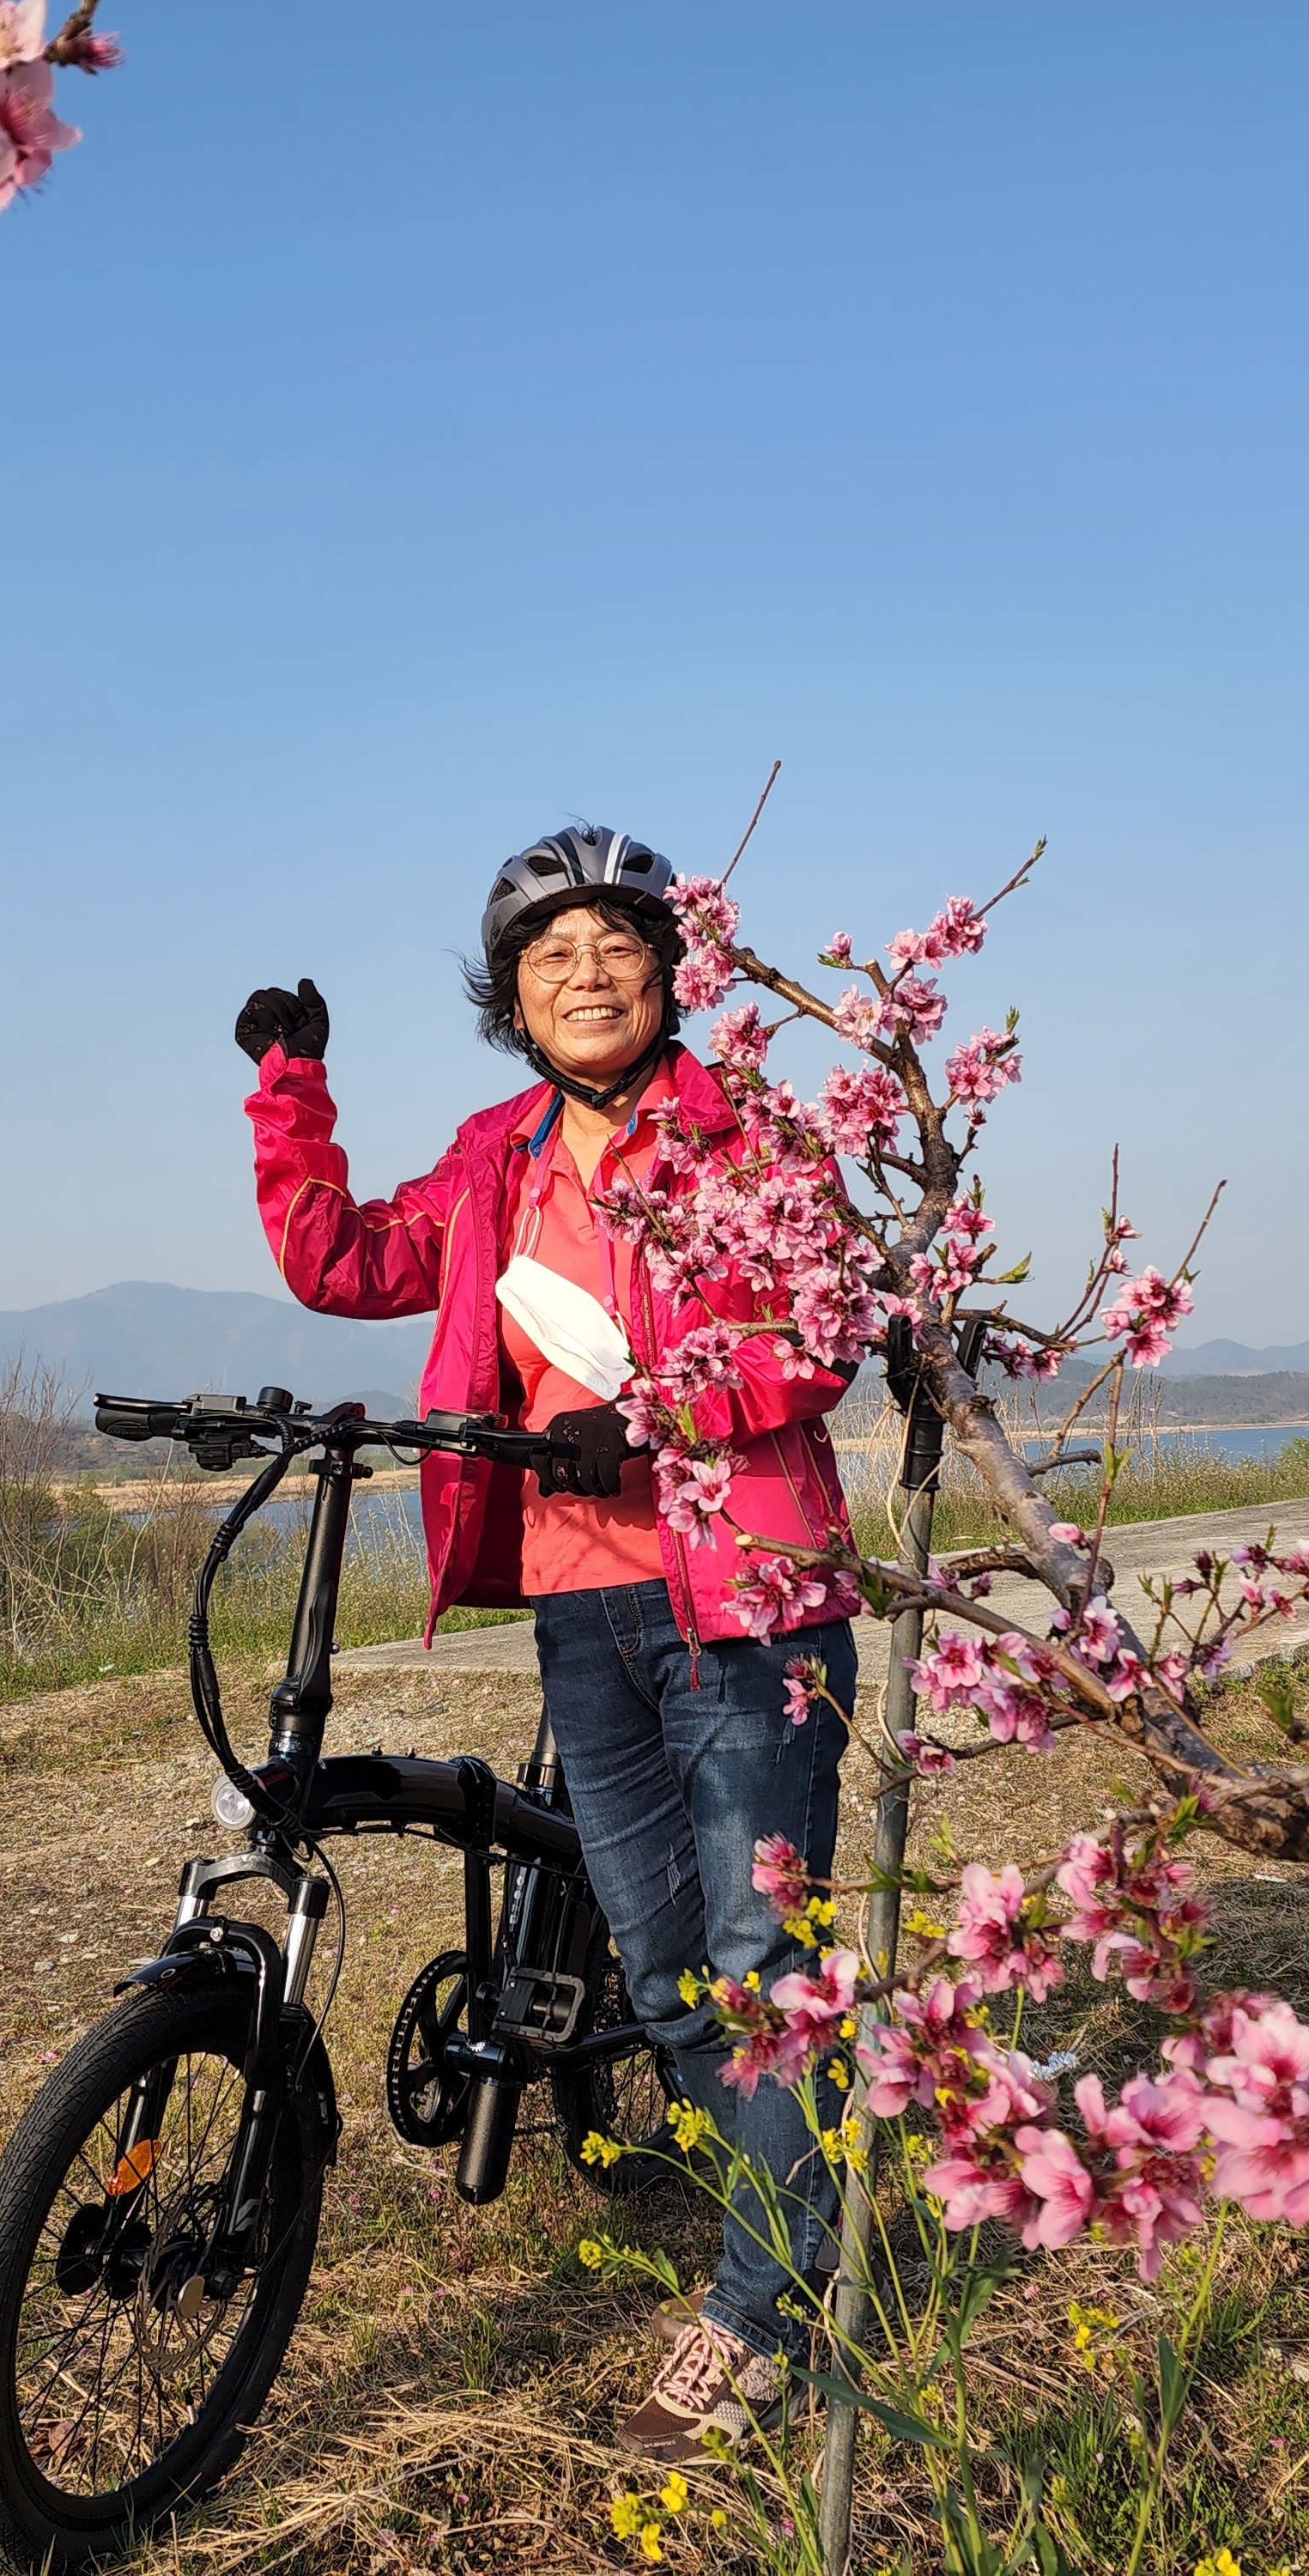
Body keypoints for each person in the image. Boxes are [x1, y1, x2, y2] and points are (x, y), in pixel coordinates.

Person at [234, 824, 860, 2458]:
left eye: (617, 946)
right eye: (549, 956)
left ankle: (762, 2308)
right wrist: (291, 1091)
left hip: (750, 1600)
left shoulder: (749, 1134)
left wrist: (660, 1418)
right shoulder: (494, 1158)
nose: (586, 977)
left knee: (757, 1961)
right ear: (511, 997)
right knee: (658, 1972)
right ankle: (808, 2221)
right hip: (585, 1603)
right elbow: (344, 1260)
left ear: (669, 973)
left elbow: (821, 1331)